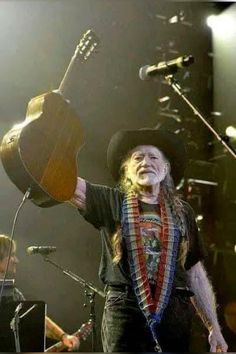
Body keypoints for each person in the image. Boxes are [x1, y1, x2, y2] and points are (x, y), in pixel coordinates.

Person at [71, 128, 228, 352]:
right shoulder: (110, 200)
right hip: (125, 309)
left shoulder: (183, 212)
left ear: (166, 169)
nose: (146, 161)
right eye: (138, 157)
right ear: (126, 169)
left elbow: (194, 272)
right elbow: (65, 183)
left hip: (173, 311)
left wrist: (214, 327)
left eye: (153, 157)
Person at [0, 234, 79, 351]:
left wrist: (63, 336)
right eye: (11, 255)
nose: (16, 260)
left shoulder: (13, 292)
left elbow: (34, 318)